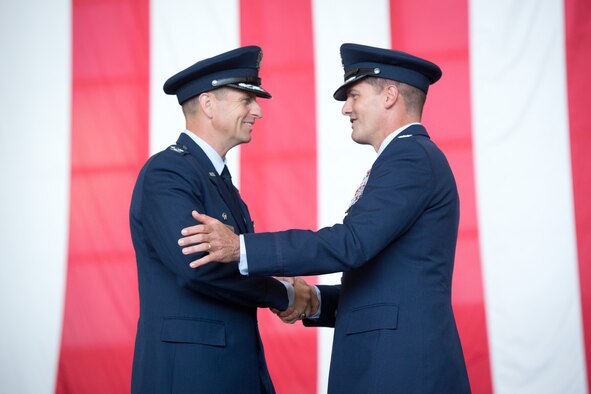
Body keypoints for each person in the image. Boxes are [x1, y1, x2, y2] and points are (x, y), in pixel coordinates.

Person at [177, 43, 472, 393]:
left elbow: (351, 244)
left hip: (401, 369)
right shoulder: (406, 157)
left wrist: (240, 248)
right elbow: (384, 280)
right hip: (391, 364)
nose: (346, 108)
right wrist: (315, 301)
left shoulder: (409, 157)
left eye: (355, 96)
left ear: (390, 95)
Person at [129, 46, 317, 394]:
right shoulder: (168, 172)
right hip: (191, 375)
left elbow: (234, 261)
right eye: (246, 99)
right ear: (208, 104)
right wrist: (282, 293)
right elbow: (197, 267)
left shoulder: (215, 179)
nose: (258, 111)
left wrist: (268, 273)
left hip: (228, 369)